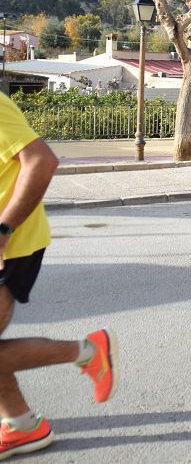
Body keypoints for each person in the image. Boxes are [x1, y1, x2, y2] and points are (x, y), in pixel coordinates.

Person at [0, 92, 117, 460]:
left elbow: (41, 161)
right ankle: (20, 423)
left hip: (13, 246)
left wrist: (3, 231)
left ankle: (86, 353)